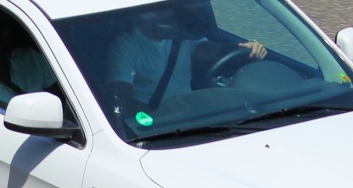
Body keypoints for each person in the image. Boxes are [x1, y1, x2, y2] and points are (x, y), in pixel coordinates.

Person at [105, 7, 266, 112]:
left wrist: (243, 48)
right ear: (143, 17)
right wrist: (159, 117)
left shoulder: (181, 37)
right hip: (156, 118)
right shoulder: (126, 47)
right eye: (161, 12)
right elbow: (123, 101)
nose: (168, 16)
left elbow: (210, 51)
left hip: (189, 110)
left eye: (169, 12)